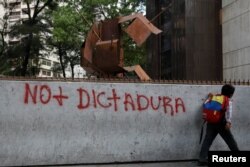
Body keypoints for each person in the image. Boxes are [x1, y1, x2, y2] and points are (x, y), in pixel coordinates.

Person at [198, 84, 239, 166]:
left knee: (207, 140)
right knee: (230, 141)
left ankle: (202, 158)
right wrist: (228, 122)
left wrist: (209, 97)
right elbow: (228, 112)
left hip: (210, 122)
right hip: (221, 123)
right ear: (231, 94)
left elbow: (206, 104)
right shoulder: (227, 100)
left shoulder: (214, 97)